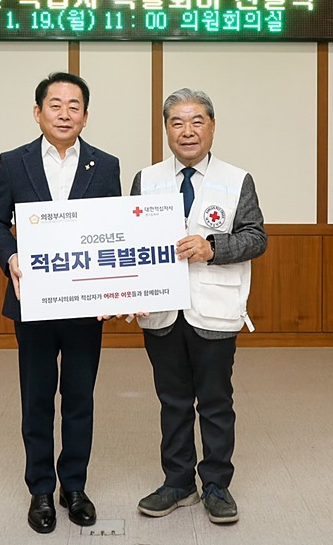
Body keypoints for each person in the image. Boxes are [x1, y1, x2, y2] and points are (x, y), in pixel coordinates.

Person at [0, 72, 121, 534]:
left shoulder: (105, 166)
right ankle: (41, 488)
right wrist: (11, 256)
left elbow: (113, 231)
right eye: (55, 105)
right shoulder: (14, 162)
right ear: (37, 112)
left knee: (80, 398)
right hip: (34, 302)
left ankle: (74, 487)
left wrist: (112, 288)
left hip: (84, 305)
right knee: (37, 398)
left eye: (74, 106)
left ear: (86, 115)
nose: (65, 113)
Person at [131, 88, 267, 524]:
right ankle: (177, 483)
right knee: (172, 401)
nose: (187, 131)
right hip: (162, 311)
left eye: (196, 121)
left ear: (212, 126)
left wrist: (213, 247)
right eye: (177, 122)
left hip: (215, 308)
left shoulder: (237, 179)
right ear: (166, 129)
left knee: (215, 402)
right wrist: (132, 293)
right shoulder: (146, 179)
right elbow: (131, 243)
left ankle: (216, 486)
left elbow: (256, 238)